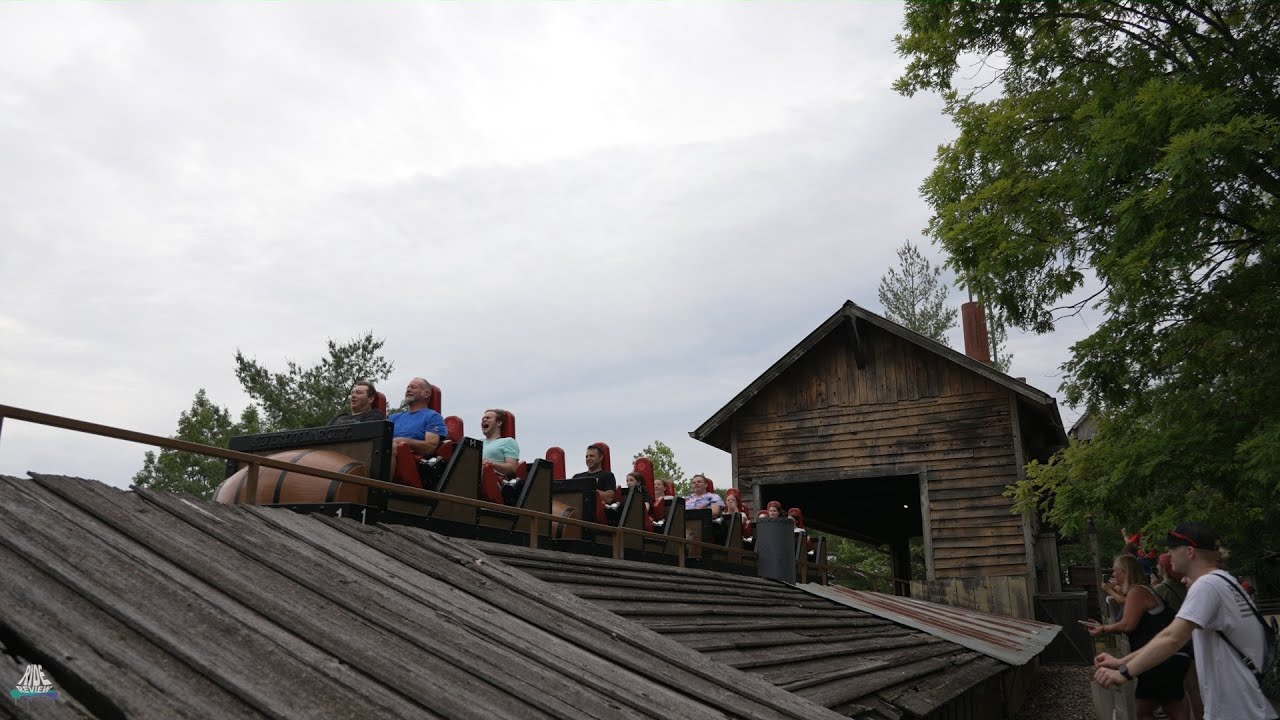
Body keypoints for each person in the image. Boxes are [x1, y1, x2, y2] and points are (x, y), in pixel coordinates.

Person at [1095, 522, 1278, 720]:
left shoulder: (1207, 585)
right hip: (1250, 708)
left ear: (1190, 552)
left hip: (1242, 711)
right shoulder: (1225, 581)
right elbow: (1170, 636)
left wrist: (1123, 672)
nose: (1169, 553)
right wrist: (1122, 661)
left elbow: (1172, 637)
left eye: (1173, 548)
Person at [1087, 555, 1191, 720]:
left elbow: (1128, 624)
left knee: (1159, 710)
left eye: (1115, 571)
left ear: (1124, 572)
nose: (1113, 575)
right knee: (1156, 708)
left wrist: (1103, 629)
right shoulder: (1139, 590)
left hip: (1161, 658)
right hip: (1158, 657)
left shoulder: (1137, 591)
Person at [390, 378, 447, 456]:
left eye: (413, 387)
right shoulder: (393, 418)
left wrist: (402, 441)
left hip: (409, 461)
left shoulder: (433, 417)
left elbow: (430, 447)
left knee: (390, 446)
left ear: (426, 394)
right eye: (408, 387)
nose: (408, 390)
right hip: (382, 457)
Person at [480, 409, 520, 477]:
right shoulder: (477, 443)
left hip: (492, 481)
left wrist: (491, 464)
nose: (484, 420)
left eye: (488, 418)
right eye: (483, 418)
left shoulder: (508, 441)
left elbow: (512, 467)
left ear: (499, 423)